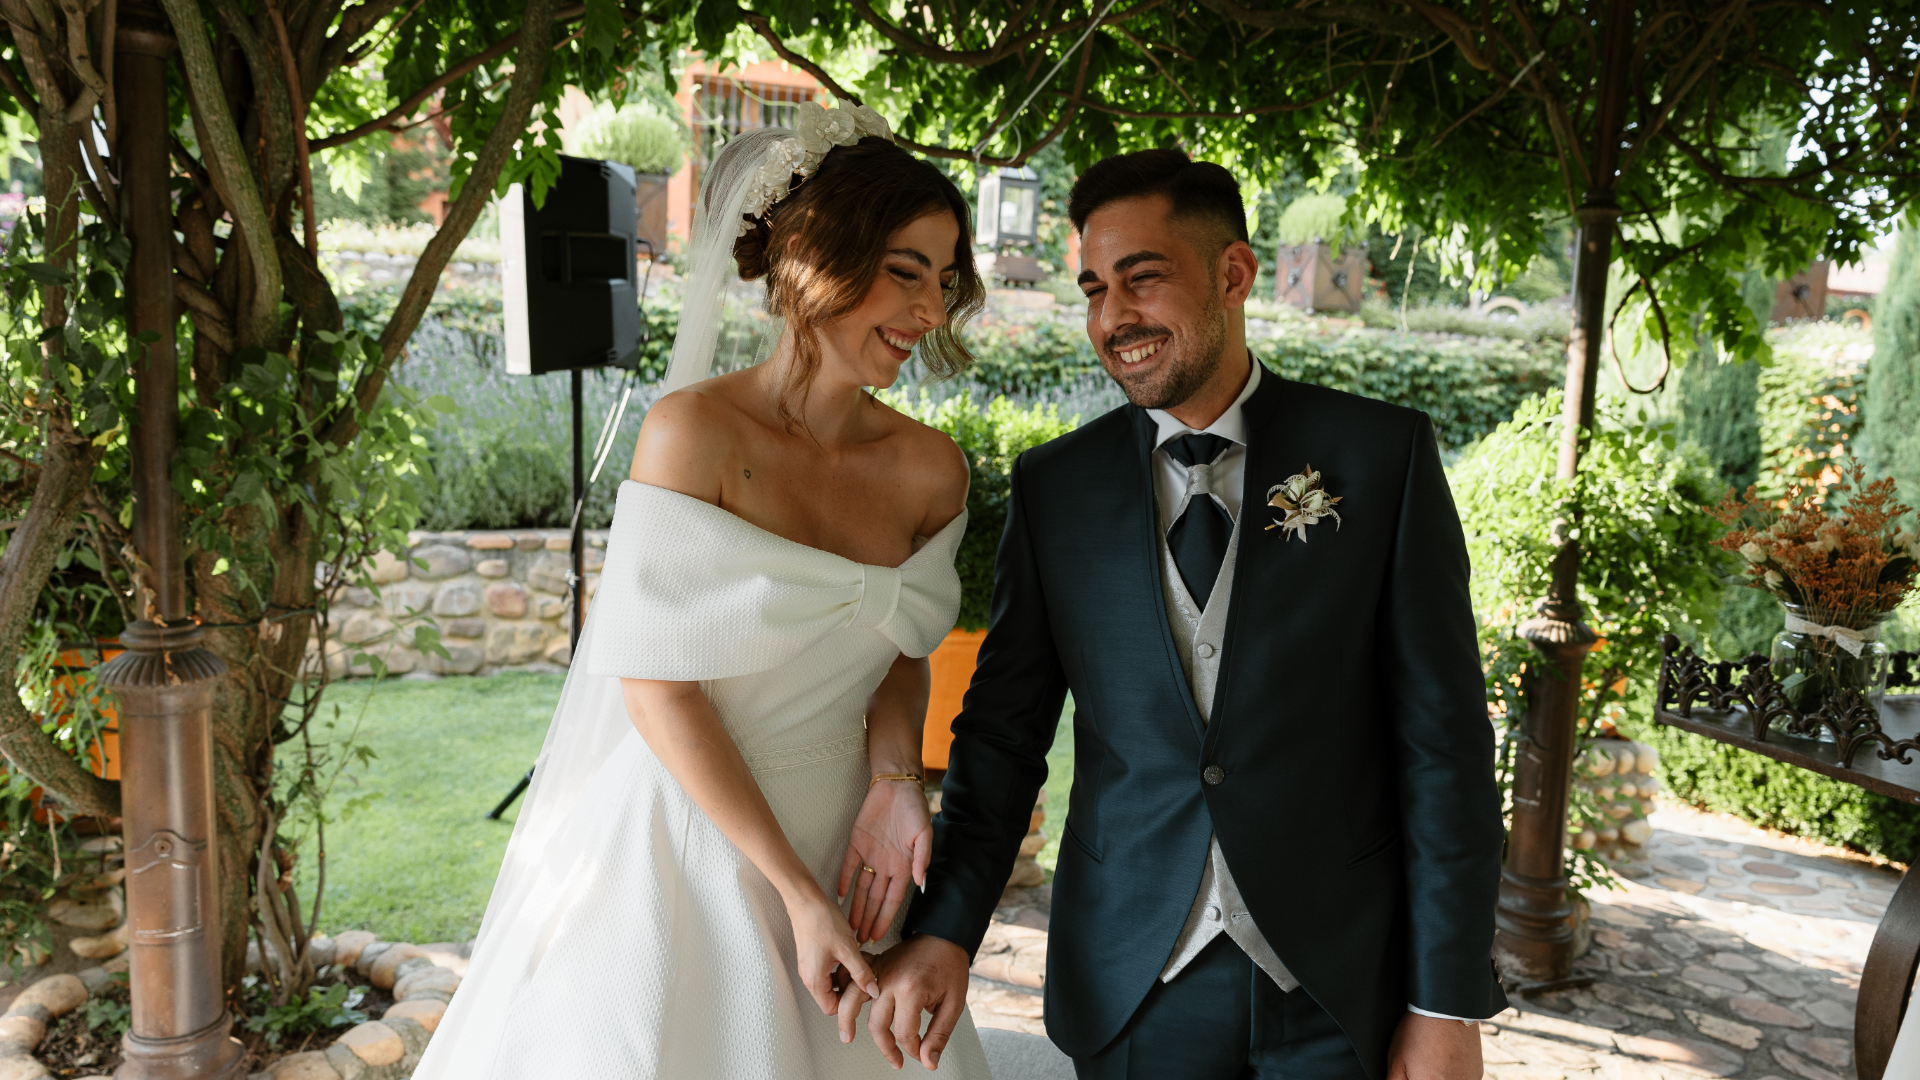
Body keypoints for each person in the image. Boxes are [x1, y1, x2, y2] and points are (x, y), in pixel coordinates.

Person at [857, 148, 1509, 1079]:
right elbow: (1003, 737)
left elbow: (1443, 746)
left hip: (1337, 983)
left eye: (1143, 279)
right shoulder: (1058, 488)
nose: (1113, 317)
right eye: (1092, 288)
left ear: (1235, 274)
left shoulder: (1381, 458)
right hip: (1134, 982)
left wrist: (1444, 999)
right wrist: (947, 932)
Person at [411, 106, 996, 1079]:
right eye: (904, 271)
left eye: (944, 278)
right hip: (688, 838)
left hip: (850, 836)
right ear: (810, 254)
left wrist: (898, 785)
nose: (931, 309)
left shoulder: (933, 469)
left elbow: (904, 644)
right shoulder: (695, 437)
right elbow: (655, 687)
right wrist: (796, 900)